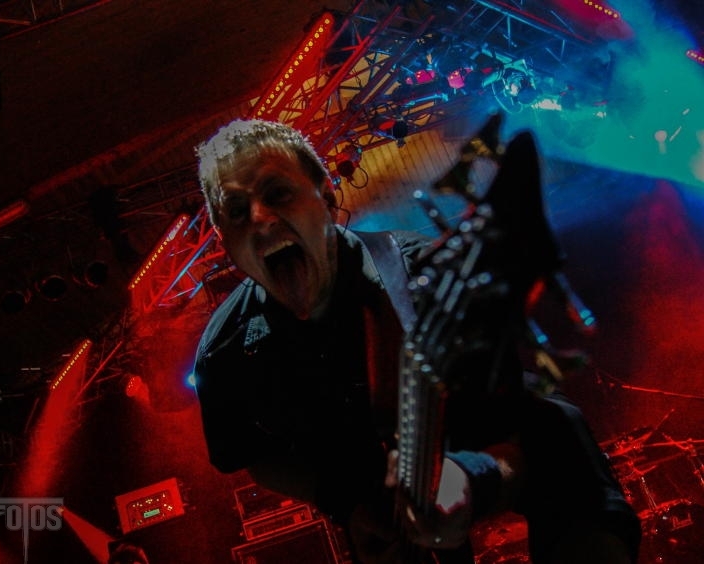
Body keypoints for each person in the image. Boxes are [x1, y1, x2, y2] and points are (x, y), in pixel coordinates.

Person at [192, 118, 641, 563]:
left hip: (468, 447)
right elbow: (254, 456)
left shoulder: (422, 277)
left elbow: (516, 430)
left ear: (326, 196)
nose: (260, 219)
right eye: (236, 211)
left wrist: (472, 481)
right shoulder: (224, 353)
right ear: (223, 240)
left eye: (278, 194)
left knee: (556, 425)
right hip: (375, 511)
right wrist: (345, 504)